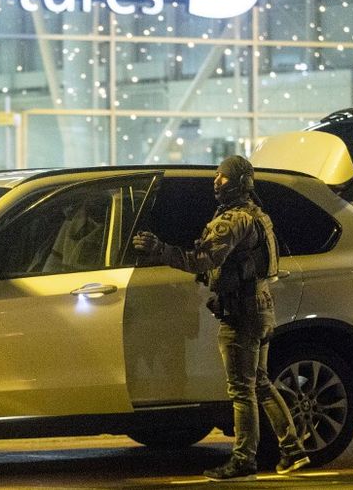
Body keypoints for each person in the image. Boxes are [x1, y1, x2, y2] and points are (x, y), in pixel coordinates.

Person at [131, 155, 310, 481]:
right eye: (216, 176)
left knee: (242, 390)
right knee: (261, 384)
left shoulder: (232, 221)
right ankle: (293, 450)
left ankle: (244, 460)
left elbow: (201, 259)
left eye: (223, 177)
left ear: (240, 183)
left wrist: (159, 249)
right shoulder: (258, 216)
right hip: (261, 306)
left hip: (241, 312)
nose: (216, 182)